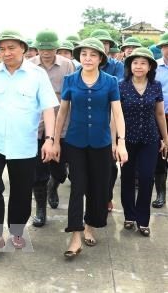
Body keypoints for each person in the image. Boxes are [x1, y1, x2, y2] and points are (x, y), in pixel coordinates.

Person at [0, 30, 58, 261]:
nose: (6, 53)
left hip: (24, 144)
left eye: (11, 48)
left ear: (23, 48)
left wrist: (50, 140)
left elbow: (49, 109)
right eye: (2, 49)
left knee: (21, 191)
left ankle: (17, 230)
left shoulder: (37, 74)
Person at [53, 37, 128, 258]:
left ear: (100, 59)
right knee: (77, 187)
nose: (88, 58)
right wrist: (55, 140)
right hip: (75, 142)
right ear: (79, 57)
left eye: (93, 54)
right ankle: (75, 235)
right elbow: (62, 113)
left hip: (101, 142)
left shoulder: (110, 81)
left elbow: (117, 113)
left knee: (98, 188)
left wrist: (120, 142)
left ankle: (90, 225)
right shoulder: (70, 80)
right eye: (84, 54)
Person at [118, 47, 168, 237]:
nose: (138, 66)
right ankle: (129, 216)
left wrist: (165, 138)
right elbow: (116, 115)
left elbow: (159, 113)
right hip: (127, 139)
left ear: (150, 67)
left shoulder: (155, 86)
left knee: (147, 178)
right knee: (128, 178)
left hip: (150, 138)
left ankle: (143, 220)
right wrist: (117, 141)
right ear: (130, 66)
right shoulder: (121, 85)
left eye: (143, 63)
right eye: (135, 62)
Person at [29, 30, 75, 227]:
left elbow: (73, 92)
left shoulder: (67, 65)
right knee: (38, 172)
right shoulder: (29, 65)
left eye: (50, 48)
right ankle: (40, 209)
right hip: (36, 126)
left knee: (60, 171)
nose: (46, 52)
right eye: (42, 48)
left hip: (61, 126)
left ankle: (53, 187)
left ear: (57, 48)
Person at [90, 29, 124, 212]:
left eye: (106, 43)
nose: (103, 45)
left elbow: (114, 89)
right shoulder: (84, 66)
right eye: (99, 42)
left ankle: (107, 196)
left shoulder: (117, 66)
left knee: (110, 166)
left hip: (111, 118)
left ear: (110, 46)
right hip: (89, 121)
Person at [153, 33, 168, 208]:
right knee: (160, 155)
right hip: (159, 117)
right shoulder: (154, 67)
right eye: (166, 46)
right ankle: (160, 193)